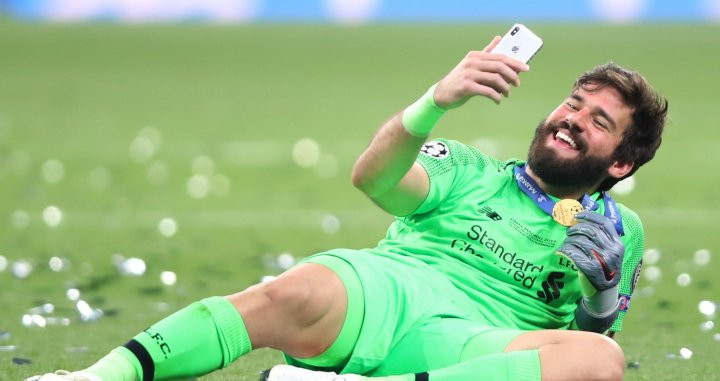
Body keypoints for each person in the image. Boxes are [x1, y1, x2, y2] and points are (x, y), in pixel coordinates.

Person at [34, 35, 667, 381]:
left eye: (598, 121)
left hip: (474, 345)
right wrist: (435, 102)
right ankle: (94, 379)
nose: (572, 120)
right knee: (293, 290)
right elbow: (376, 178)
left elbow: (574, 352)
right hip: (386, 295)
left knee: (600, 363)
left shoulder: (617, 231)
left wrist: (602, 300)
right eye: (573, 104)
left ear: (621, 163)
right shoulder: (467, 167)